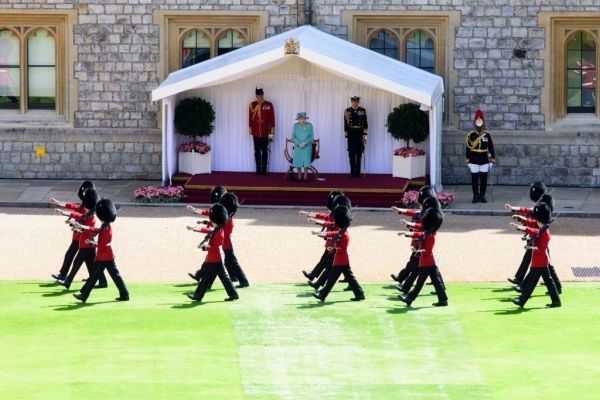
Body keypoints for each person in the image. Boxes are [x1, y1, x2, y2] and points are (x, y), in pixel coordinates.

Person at [72, 199, 129, 303]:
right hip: (107, 256)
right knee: (115, 276)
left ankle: (84, 295)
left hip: (103, 257)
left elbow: (102, 244)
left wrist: (92, 243)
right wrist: (82, 226)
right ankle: (124, 294)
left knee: (93, 277)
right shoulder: (106, 226)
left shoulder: (106, 228)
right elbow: (95, 230)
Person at [509, 202, 561, 308]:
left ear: (540, 220)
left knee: (531, 284)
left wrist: (530, 247)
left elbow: (540, 249)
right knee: (547, 282)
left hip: (540, 262)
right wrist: (519, 227)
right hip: (540, 261)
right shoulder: (542, 230)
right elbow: (532, 230)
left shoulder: (545, 233)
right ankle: (556, 301)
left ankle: (521, 301)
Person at [55, 188, 108, 290]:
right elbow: (78, 216)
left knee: (76, 263)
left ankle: (68, 281)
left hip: (86, 245)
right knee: (92, 265)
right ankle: (102, 281)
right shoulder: (87, 215)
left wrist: (76, 226)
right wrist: (70, 220)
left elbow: (87, 229)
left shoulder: (91, 218)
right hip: (86, 245)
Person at [311, 205, 365, 302]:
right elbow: (333, 234)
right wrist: (320, 233)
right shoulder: (341, 231)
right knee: (349, 278)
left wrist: (334, 249)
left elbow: (342, 248)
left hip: (341, 260)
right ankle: (359, 293)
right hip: (341, 260)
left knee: (332, 279)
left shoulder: (344, 234)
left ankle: (322, 294)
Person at [186, 203, 239, 302]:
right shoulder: (217, 229)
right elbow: (206, 230)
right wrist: (193, 228)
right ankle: (233, 294)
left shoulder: (219, 232)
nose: (211, 222)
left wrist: (203, 247)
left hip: (215, 259)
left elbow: (213, 247)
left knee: (208, 277)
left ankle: (198, 295)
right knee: (221, 278)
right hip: (215, 258)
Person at [398, 207, 448, 307]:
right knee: (435, 282)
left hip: (428, 262)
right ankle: (443, 300)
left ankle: (409, 298)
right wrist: (406, 233)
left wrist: (417, 251)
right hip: (429, 262)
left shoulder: (430, 236)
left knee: (420, 282)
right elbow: (418, 233)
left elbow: (427, 251)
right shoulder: (427, 233)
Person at [49, 180, 95, 282]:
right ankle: (96, 278)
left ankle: (63, 274)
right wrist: (58, 203)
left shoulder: (86, 209)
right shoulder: (83, 206)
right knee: (89, 260)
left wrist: (65, 214)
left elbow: (78, 216)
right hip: (78, 236)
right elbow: (72, 206)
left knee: (70, 255)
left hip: (80, 237)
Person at [299, 190, 342, 282]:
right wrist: (307, 214)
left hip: (335, 242)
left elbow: (330, 225)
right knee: (325, 261)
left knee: (330, 263)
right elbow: (321, 216)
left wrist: (317, 227)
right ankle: (313, 276)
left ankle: (319, 279)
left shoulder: (338, 215)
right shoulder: (333, 214)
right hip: (331, 241)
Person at [219, 192, 249, 288]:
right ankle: (234, 277)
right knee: (228, 262)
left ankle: (243, 281)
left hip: (227, 244)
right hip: (226, 243)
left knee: (233, 262)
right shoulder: (229, 217)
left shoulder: (227, 218)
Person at [466, 109, 496, 203]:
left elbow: (490, 148)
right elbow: (468, 148)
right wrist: (468, 160)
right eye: (477, 125)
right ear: (474, 125)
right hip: (474, 160)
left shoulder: (487, 135)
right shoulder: (470, 135)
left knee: (483, 179)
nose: (479, 127)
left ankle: (482, 195)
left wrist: (492, 159)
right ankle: (475, 195)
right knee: (474, 180)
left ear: (483, 125)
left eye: (481, 125)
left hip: (484, 160)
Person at [249, 88, 275, 175]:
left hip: (266, 132)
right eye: (258, 96)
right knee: (257, 151)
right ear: (256, 96)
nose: (260, 97)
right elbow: (250, 119)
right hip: (256, 132)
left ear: (263, 95)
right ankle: (258, 169)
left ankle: (264, 169)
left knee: (265, 151)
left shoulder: (269, 104)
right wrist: (251, 130)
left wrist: (271, 136)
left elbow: (272, 120)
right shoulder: (252, 105)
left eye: (261, 95)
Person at [344, 96, 368, 177]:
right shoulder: (347, 111)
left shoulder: (362, 110)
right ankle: (352, 172)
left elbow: (365, 122)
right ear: (351, 102)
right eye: (353, 102)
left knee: (359, 153)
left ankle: (358, 172)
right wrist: (346, 135)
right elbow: (345, 124)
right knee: (351, 153)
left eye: (356, 102)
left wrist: (365, 134)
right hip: (351, 133)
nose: (355, 103)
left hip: (359, 133)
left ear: (358, 102)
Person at [291, 112, 314, 181]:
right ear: (298, 120)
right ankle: (299, 175)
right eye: (301, 119)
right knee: (298, 161)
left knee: (306, 161)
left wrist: (305, 143)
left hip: (307, 147)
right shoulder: (295, 126)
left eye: (304, 119)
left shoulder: (310, 125)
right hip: (298, 147)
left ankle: (305, 175)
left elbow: (311, 137)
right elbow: (293, 137)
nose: (302, 120)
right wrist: (299, 143)